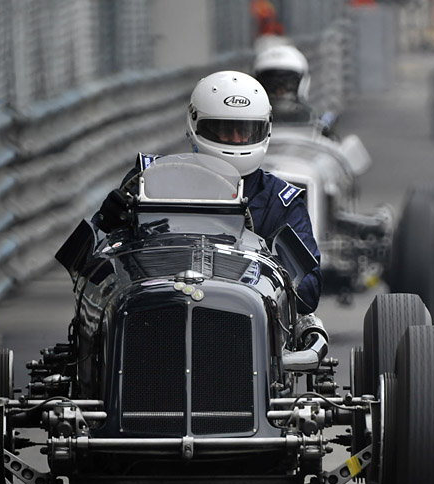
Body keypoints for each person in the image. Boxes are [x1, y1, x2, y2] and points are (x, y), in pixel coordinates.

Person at [93, 71, 321, 313]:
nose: (235, 140)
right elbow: (90, 268)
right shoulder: (150, 178)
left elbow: (308, 293)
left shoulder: (280, 202)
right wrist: (107, 223)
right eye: (225, 130)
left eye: (245, 131)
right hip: (155, 307)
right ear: (196, 124)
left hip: (240, 318)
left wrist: (270, 269)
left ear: (265, 129)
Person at [252, 43, 337, 136]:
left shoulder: (316, 125)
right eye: (270, 85)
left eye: (288, 84)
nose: (279, 92)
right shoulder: (248, 124)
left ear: (302, 83)